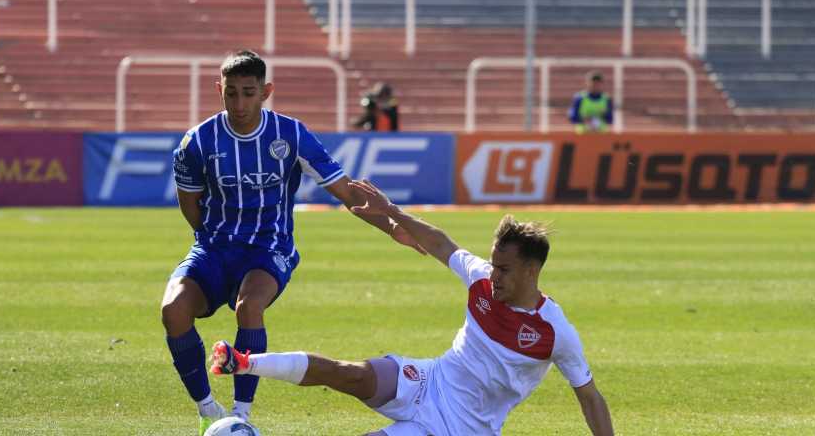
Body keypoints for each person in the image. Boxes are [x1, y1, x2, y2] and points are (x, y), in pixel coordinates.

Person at [210, 180, 614, 436]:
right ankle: (244, 362)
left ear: (531, 271)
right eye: (493, 265)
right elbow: (441, 243)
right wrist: (392, 212)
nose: (494, 275)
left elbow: (590, 397)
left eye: (504, 270)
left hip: (461, 428)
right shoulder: (481, 279)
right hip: (430, 380)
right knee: (348, 373)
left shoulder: (555, 331)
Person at [164, 50, 425, 435]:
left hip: (269, 249)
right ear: (219, 90)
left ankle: (242, 415)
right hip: (214, 248)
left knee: (249, 307)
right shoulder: (198, 142)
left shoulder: (290, 135)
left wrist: (392, 226)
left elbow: (346, 191)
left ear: (266, 92)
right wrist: (212, 240)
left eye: (249, 93)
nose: (239, 103)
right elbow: (189, 203)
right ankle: (208, 410)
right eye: (231, 93)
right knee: (173, 310)